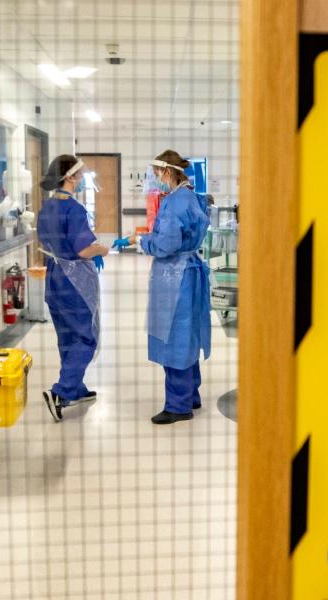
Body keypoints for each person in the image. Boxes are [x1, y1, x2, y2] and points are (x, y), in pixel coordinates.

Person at [113, 150, 211, 424]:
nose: (155, 179)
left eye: (156, 174)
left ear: (167, 172)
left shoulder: (174, 202)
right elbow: (177, 235)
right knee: (187, 333)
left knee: (174, 336)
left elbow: (166, 245)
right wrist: (145, 236)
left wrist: (141, 243)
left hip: (175, 277)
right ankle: (190, 394)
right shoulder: (191, 197)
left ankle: (178, 406)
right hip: (189, 272)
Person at [37, 154, 109, 421]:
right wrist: (103, 248)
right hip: (74, 280)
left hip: (54, 277)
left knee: (67, 336)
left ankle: (76, 389)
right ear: (69, 177)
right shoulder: (74, 209)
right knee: (85, 337)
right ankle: (62, 391)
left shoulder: (47, 207)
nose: (81, 180)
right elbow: (83, 249)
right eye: (79, 175)